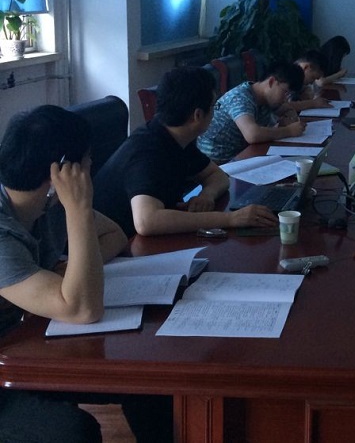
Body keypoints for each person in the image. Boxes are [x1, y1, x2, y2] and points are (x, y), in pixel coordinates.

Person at [0, 105, 170, 442]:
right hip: (8, 368)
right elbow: (82, 309)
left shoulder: (45, 203)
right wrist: (78, 209)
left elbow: (114, 235)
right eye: (89, 159)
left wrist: (73, 275)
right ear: (64, 172)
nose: (93, 166)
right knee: (73, 432)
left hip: (22, 340)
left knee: (152, 383)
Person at [93, 67, 278, 238]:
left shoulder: (176, 136)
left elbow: (217, 176)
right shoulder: (148, 150)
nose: (214, 112)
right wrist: (231, 219)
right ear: (197, 115)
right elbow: (147, 221)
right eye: (213, 107)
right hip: (115, 247)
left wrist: (207, 195)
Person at [197, 62, 308, 163]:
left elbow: (285, 107)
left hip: (241, 155)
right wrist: (289, 130)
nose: (286, 99)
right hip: (217, 162)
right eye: (285, 92)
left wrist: (290, 113)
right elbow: (253, 135)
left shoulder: (266, 98)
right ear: (271, 82)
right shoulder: (240, 97)